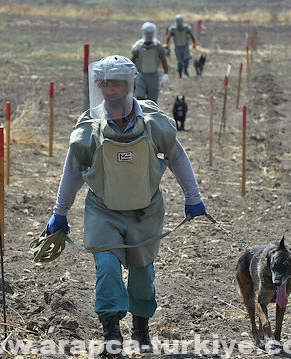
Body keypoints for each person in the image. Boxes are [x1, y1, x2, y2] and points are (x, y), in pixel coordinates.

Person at [45, 55, 206, 358]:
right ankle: (111, 337)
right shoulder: (91, 126)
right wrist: (60, 212)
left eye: (116, 82)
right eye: (104, 83)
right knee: (106, 268)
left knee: (142, 274)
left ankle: (141, 329)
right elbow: (73, 171)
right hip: (103, 211)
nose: (110, 89)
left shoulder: (153, 122)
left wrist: (193, 197)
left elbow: (177, 157)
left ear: (131, 83)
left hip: (145, 212)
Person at [130, 22, 170, 103]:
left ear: (153, 33)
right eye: (147, 33)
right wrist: (129, 72)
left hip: (153, 76)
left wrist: (166, 73)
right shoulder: (138, 47)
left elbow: (163, 60)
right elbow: (132, 60)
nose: (149, 35)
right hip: (141, 75)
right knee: (140, 97)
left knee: (152, 101)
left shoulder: (158, 47)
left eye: (150, 33)